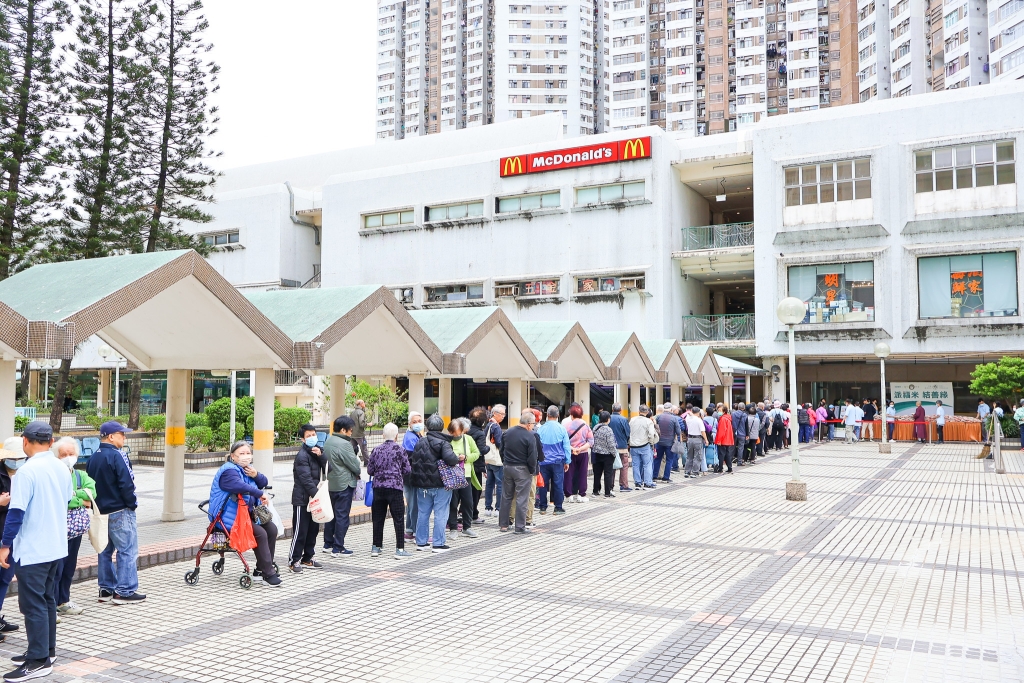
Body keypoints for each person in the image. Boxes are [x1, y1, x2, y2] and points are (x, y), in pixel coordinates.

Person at [0, 422, 72, 681]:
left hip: (33, 549)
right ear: (51, 442)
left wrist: (4, 545)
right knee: (47, 599)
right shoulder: (62, 468)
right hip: (56, 547)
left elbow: (16, 513)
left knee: (33, 605)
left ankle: (38, 661)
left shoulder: (26, 472)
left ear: (25, 441)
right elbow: (66, 500)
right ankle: (46, 651)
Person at [86, 421, 144, 604]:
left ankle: (106, 589)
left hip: (100, 512)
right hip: (120, 510)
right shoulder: (118, 455)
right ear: (111, 437)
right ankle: (125, 591)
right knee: (127, 550)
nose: (124, 437)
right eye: (122, 434)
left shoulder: (93, 457)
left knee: (104, 550)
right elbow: (127, 484)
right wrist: (132, 504)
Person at [209, 441, 281, 586]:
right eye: (241, 453)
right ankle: (268, 573)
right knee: (260, 533)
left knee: (271, 529)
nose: (246, 456)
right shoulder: (228, 472)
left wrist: (256, 475)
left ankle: (260, 570)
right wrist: (260, 493)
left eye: (248, 453)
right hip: (227, 517)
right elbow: (239, 486)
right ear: (232, 456)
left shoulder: (247, 469)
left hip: (246, 515)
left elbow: (263, 482)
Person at [54, 438, 96, 615]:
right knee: (56, 568)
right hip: (56, 529)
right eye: (63, 454)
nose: (68, 457)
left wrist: (73, 495)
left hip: (75, 529)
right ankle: (51, 604)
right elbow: (61, 498)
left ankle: (64, 600)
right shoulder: (53, 474)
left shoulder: (80, 475)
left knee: (69, 566)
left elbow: (92, 492)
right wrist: (80, 500)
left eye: (71, 454)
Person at [410, 414, 459, 552]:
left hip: (422, 485)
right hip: (440, 484)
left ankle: (421, 542)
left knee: (423, 513)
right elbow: (451, 459)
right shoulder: (443, 443)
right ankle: (438, 543)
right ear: (442, 427)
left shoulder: (420, 441)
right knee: (441, 513)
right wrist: (457, 457)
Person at [366, 423, 411, 558]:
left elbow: (370, 470)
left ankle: (376, 547)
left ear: (383, 435)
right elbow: (407, 469)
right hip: (395, 488)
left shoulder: (376, 450)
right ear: (397, 436)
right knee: (398, 518)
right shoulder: (400, 450)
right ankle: (400, 549)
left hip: (378, 488)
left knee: (378, 518)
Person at [288, 423, 325, 572]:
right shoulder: (302, 456)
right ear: (303, 439)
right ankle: (293, 560)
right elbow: (306, 480)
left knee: (313, 530)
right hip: (302, 499)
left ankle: (307, 558)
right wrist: (318, 496)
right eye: (308, 436)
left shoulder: (317, 451)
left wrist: (321, 456)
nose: (312, 437)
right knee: (300, 531)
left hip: (314, 499)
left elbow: (329, 468)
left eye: (313, 434)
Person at [323, 419, 361, 559]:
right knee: (342, 517)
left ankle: (328, 544)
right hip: (344, 484)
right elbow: (355, 466)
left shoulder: (328, 441)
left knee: (331, 516)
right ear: (343, 430)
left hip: (331, 484)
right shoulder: (345, 444)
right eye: (350, 430)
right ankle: (338, 548)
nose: (351, 432)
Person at [498, 410, 539, 533]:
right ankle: (520, 527)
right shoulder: (530, 436)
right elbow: (532, 456)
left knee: (506, 496)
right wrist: (532, 470)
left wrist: (505, 462)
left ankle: (504, 525)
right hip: (523, 469)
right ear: (528, 424)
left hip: (508, 467)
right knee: (522, 498)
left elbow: (501, 450)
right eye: (533, 424)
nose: (533, 427)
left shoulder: (507, 432)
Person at [0, 438, 25, 636]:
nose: (16, 462)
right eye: (13, 458)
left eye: (20, 458)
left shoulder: (24, 474)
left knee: (5, 578)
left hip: (13, 535)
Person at [447, 418, 479, 538]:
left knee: (468, 502)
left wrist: (466, 457)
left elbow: (476, 453)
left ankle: (467, 527)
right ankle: (453, 528)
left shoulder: (468, 439)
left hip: (466, 475)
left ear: (462, 431)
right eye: (454, 434)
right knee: (453, 502)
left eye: (458, 433)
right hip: (451, 476)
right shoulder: (446, 440)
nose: (456, 436)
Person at [537, 406, 571, 514]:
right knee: (558, 484)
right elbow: (566, 446)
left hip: (543, 461)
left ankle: (542, 507)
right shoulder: (561, 429)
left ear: (547, 415)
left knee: (543, 484)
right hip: (558, 461)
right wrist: (567, 461)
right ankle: (558, 507)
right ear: (558, 415)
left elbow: (537, 446)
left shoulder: (541, 429)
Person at [561, 404, 594, 502]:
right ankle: (581, 495)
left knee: (568, 473)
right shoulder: (586, 426)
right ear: (581, 415)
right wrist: (580, 449)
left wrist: (573, 449)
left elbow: (563, 441)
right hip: (583, 453)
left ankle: (568, 495)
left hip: (570, 452)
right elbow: (591, 441)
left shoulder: (566, 426)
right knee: (583, 473)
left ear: (571, 415)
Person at [466, 409, 491, 521]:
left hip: (465, 464)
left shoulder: (466, 430)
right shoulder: (480, 433)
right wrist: (488, 448)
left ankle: (463, 512)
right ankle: (473, 514)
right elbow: (482, 450)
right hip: (476, 465)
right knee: (476, 491)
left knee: (466, 491)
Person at [402, 412, 424, 540]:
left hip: (409, 476)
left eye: (419, 421)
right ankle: (416, 532)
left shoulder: (416, 435)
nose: (417, 424)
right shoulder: (410, 438)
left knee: (412, 503)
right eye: (414, 422)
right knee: (414, 504)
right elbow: (414, 458)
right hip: (411, 476)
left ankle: (409, 530)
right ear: (409, 424)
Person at [481, 405, 504, 518]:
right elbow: (499, 443)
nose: (503, 416)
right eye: (502, 414)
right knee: (500, 484)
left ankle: (487, 508)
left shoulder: (488, 425)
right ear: (495, 414)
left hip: (488, 459)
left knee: (489, 484)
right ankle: (498, 508)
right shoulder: (496, 427)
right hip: (496, 460)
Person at [628, 405, 659, 489]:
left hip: (633, 446)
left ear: (639, 411)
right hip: (645, 445)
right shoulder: (648, 421)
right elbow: (651, 434)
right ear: (647, 412)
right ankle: (647, 482)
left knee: (635, 464)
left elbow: (629, 431)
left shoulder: (632, 420)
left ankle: (637, 482)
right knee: (647, 464)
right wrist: (651, 442)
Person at [591, 411, 617, 498]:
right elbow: (611, 444)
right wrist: (614, 453)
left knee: (597, 473)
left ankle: (595, 491)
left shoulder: (595, 428)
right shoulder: (608, 430)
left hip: (596, 453)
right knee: (608, 473)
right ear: (608, 419)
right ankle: (607, 492)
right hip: (607, 455)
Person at [654, 402, 681, 482]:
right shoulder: (674, 418)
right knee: (669, 460)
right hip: (670, 442)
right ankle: (666, 477)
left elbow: (655, 427)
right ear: (671, 409)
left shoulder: (658, 417)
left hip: (659, 442)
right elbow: (678, 431)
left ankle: (654, 476)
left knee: (657, 459)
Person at [609, 403, 632, 492]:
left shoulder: (608, 418)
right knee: (624, 466)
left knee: (611, 466)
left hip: (611, 447)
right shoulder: (624, 419)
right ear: (621, 410)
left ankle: (610, 486)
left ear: (612, 410)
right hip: (622, 446)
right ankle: (624, 485)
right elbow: (628, 433)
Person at [683, 406, 709, 478]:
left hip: (690, 438)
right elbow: (702, 431)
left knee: (689, 456)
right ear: (698, 413)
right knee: (697, 456)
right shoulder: (699, 420)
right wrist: (706, 440)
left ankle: (687, 471)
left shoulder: (688, 418)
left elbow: (687, 414)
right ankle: (695, 472)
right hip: (697, 438)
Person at [349, 399, 375, 465]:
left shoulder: (352, 413)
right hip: (360, 435)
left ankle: (348, 462)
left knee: (350, 449)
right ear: (360, 404)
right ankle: (367, 463)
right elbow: (361, 424)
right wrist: (368, 424)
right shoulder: (361, 412)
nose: (364, 404)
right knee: (364, 449)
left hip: (352, 434)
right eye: (363, 402)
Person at [714, 404, 735, 473]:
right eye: (718, 410)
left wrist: (719, 440)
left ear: (724, 411)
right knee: (727, 454)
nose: (718, 412)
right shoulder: (728, 418)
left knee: (721, 454)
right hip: (728, 439)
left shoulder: (723, 419)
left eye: (720, 410)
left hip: (723, 439)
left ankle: (720, 468)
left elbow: (721, 431)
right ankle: (729, 468)